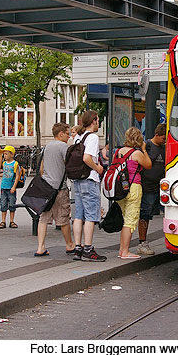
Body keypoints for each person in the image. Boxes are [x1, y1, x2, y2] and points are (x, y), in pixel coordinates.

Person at [35, 122, 76, 257]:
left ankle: (40, 247)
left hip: (46, 188)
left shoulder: (47, 147)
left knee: (43, 218)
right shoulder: (64, 147)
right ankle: (69, 244)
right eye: (67, 133)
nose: (69, 136)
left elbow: (41, 168)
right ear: (61, 134)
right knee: (63, 217)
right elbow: (69, 165)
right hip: (60, 188)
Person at [70, 110, 106, 262]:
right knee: (91, 216)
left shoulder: (78, 137)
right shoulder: (92, 137)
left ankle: (77, 248)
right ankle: (88, 249)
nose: (99, 123)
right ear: (93, 121)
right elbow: (86, 158)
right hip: (89, 179)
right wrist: (97, 167)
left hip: (77, 180)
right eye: (98, 120)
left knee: (79, 215)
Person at [114, 127, 152, 259]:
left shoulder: (118, 152)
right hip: (133, 187)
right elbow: (148, 165)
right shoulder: (136, 153)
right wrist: (143, 150)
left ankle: (121, 250)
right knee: (130, 221)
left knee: (125, 219)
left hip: (120, 189)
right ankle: (125, 252)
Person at [138, 123, 166, 255]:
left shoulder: (164, 147)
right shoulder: (147, 146)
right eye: (163, 138)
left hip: (159, 185)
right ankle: (142, 242)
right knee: (145, 214)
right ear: (157, 135)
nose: (165, 141)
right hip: (147, 186)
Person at [0, 145, 20, 229]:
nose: (4, 156)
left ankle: (11, 221)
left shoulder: (15, 164)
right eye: (4, 154)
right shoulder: (4, 163)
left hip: (11, 187)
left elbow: (17, 176)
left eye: (6, 154)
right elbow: (5, 173)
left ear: (12, 154)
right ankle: (3, 221)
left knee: (12, 204)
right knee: (3, 204)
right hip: (4, 186)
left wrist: (14, 187)